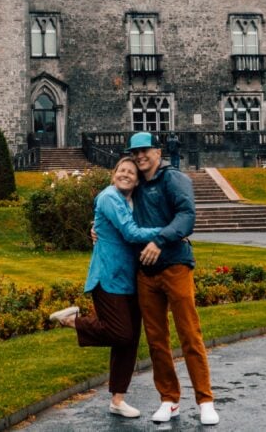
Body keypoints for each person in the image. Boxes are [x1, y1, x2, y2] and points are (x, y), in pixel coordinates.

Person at [49, 157, 164, 419]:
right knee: (121, 334)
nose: (125, 175)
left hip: (130, 278)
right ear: (113, 176)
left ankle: (118, 400)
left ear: (137, 180)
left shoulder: (133, 200)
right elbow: (131, 233)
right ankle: (72, 320)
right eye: (121, 170)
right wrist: (169, 231)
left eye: (131, 172)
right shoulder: (110, 197)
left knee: (130, 341)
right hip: (108, 276)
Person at [128, 131, 219, 425]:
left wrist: (159, 241)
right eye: (135, 152)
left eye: (145, 151)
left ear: (158, 152)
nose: (140, 156)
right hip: (146, 271)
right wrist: (97, 229)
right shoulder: (136, 184)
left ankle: (205, 400)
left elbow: (186, 216)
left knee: (189, 334)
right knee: (156, 340)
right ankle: (169, 399)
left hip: (175, 265)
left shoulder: (173, 178)